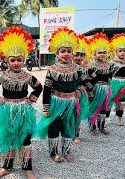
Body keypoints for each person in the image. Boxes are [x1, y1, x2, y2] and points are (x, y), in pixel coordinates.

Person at [0, 26, 42, 179]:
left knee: (25, 139)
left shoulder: (28, 76)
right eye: (13, 60)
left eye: (19, 60)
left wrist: (30, 100)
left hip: (24, 111)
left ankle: (28, 168)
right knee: (8, 138)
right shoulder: (2, 76)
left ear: (24, 60)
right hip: (7, 111)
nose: (16, 63)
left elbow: (39, 87)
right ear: (7, 61)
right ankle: (6, 167)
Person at [36, 27, 90, 162]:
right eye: (62, 51)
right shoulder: (52, 69)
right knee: (54, 126)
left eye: (69, 51)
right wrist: (46, 107)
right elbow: (47, 89)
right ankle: (53, 153)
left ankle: (66, 151)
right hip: (55, 101)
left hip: (71, 103)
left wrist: (80, 90)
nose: (66, 54)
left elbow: (85, 82)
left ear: (72, 53)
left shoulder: (77, 69)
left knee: (69, 126)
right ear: (57, 53)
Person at [106, 33, 125, 126]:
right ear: (116, 52)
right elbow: (107, 72)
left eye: (124, 50)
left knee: (122, 102)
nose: (122, 52)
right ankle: (106, 118)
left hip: (124, 83)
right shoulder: (112, 62)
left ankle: (119, 118)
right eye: (120, 51)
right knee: (109, 101)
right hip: (113, 82)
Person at [88, 33, 115, 136]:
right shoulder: (91, 65)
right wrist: (90, 92)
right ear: (95, 53)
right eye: (100, 53)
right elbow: (89, 80)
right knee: (94, 107)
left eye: (104, 52)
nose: (102, 54)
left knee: (103, 108)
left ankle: (102, 127)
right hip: (96, 89)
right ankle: (92, 127)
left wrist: (108, 81)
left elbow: (110, 76)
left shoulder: (108, 65)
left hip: (106, 89)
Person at [73, 34, 91, 144]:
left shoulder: (84, 68)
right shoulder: (66, 67)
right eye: (76, 55)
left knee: (77, 115)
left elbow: (86, 81)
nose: (79, 58)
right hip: (67, 95)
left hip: (80, 95)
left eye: (81, 55)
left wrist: (87, 91)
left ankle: (76, 135)